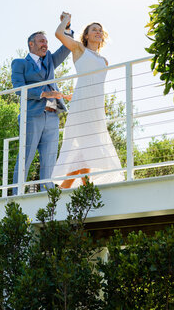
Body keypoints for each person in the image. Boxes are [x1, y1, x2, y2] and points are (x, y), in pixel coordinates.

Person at [51, 12, 124, 189]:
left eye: (100, 30)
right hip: (81, 105)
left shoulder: (104, 60)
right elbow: (59, 34)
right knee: (84, 146)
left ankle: (63, 191)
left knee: (86, 150)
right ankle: (87, 188)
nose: (98, 32)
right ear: (86, 35)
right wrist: (66, 21)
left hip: (96, 107)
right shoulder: (79, 49)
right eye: (94, 30)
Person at [11, 22, 73, 194]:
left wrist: (67, 28)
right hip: (32, 115)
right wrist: (45, 93)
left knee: (50, 160)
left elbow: (67, 48)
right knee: (26, 157)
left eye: (46, 42)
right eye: (41, 41)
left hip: (52, 116)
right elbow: (18, 89)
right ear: (31, 44)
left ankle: (49, 196)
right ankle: (17, 195)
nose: (45, 44)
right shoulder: (19, 63)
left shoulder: (50, 61)